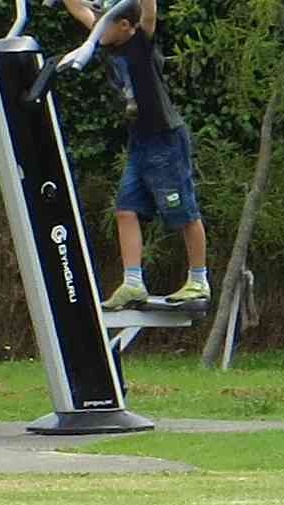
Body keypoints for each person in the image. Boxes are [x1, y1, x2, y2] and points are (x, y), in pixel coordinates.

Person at [61, 0, 209, 311]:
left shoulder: (141, 42)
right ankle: (132, 283)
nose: (97, 29)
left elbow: (149, 11)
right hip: (139, 142)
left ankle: (198, 281)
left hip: (165, 140)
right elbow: (78, 9)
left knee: (183, 212)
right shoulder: (107, 39)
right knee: (125, 210)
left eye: (105, 24)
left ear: (125, 26)